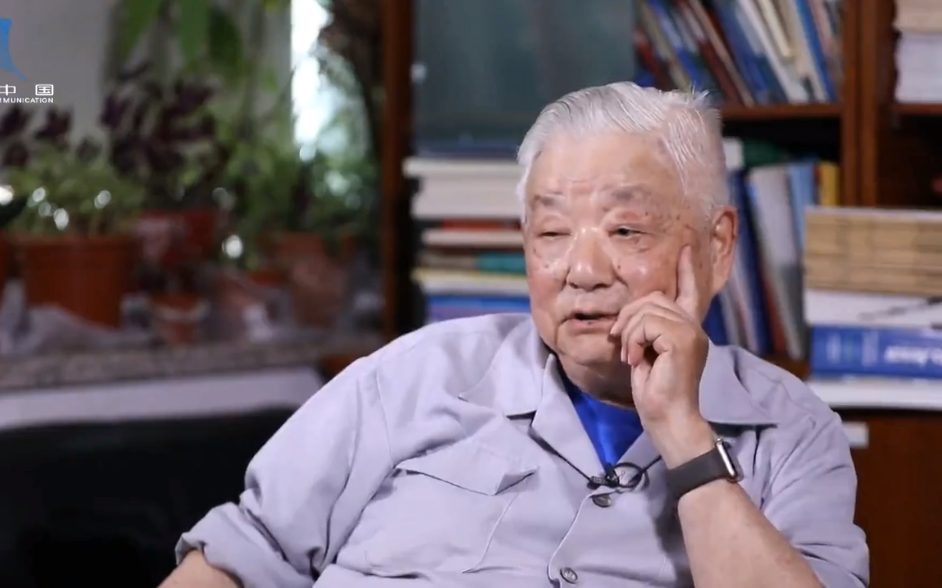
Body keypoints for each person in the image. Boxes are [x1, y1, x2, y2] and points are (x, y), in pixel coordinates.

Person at [160, 83, 869, 588]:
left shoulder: (789, 432)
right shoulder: (413, 376)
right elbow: (239, 554)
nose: (582, 272)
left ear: (717, 248)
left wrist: (685, 435)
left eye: (626, 230)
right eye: (552, 233)